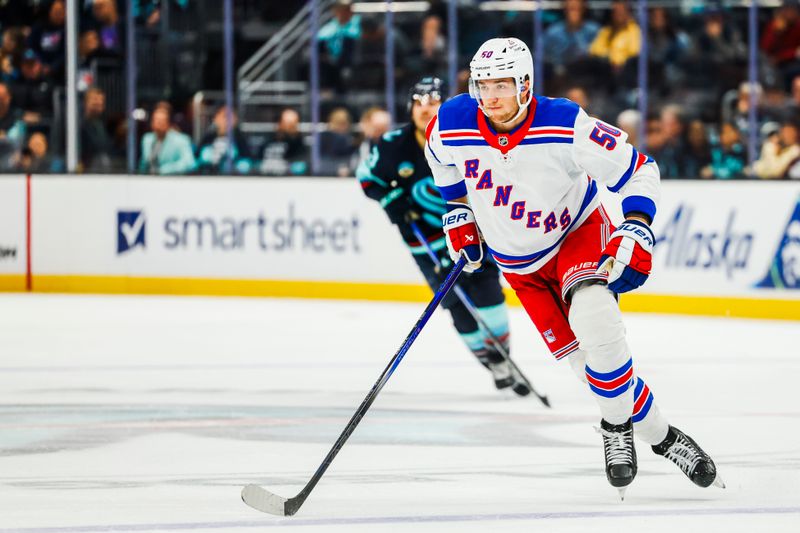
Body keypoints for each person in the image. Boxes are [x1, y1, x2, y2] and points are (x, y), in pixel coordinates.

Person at [425, 37, 722, 495]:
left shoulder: (564, 122)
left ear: (526, 85)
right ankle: (663, 438)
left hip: (576, 235)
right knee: (589, 368)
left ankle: (614, 428)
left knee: (595, 319)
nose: (491, 97)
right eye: (483, 86)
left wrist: (637, 224)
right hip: (519, 266)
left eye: (502, 85)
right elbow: (440, 159)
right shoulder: (451, 121)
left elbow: (641, 168)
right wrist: (457, 210)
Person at [357, 77, 529, 396]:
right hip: (426, 243)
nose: (425, 109)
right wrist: (389, 199)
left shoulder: (463, 137)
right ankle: (492, 363)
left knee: (488, 291)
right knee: (455, 305)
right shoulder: (393, 144)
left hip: (473, 233)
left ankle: (501, 354)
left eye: (433, 102)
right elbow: (367, 178)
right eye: (419, 103)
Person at [139, 105, 196, 175]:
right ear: (152, 123)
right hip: (147, 180)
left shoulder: (181, 140)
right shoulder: (147, 139)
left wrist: (164, 170)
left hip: (171, 180)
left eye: (162, 121)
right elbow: (143, 163)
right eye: (156, 120)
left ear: (168, 123)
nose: (159, 124)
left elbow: (189, 163)